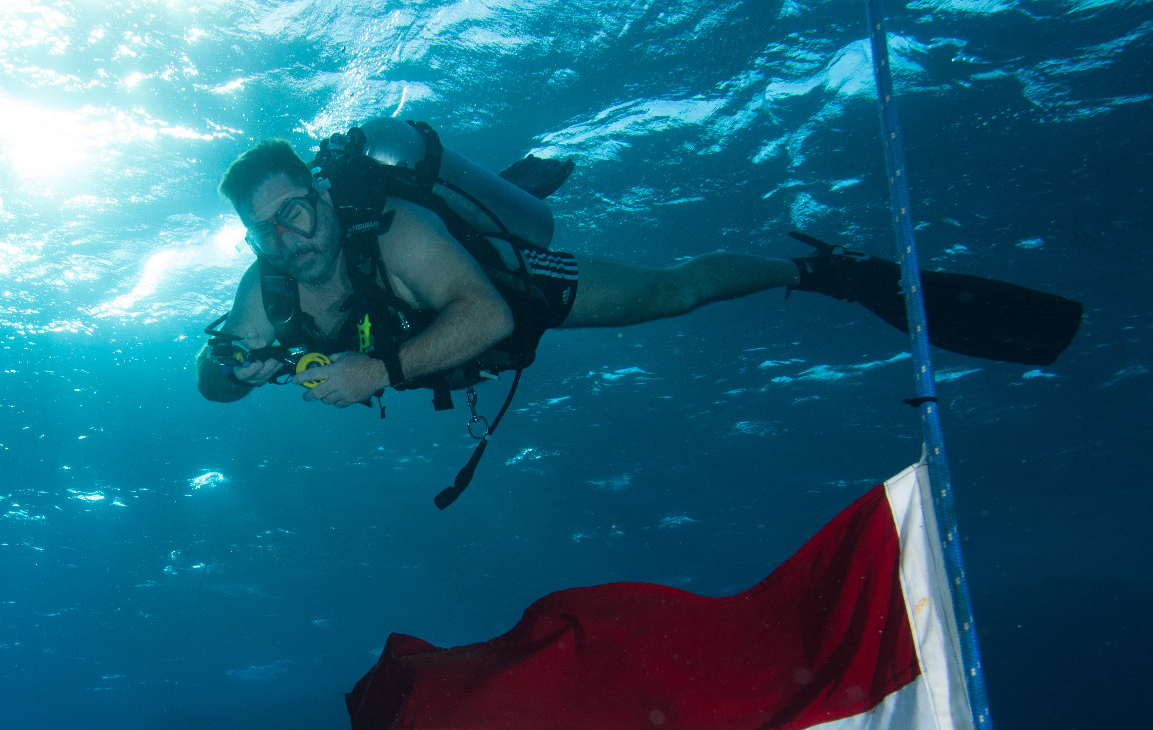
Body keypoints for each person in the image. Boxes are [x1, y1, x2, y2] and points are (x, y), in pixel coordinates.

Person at [196, 125, 1081, 411]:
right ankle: (515, 183)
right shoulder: (264, 290)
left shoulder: (396, 234)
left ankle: (817, 272)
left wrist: (376, 372)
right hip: (430, 330)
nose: (289, 238)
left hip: (512, 286)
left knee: (671, 291)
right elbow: (214, 381)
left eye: (296, 210)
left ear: (320, 193)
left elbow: (489, 318)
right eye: (265, 230)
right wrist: (232, 363)